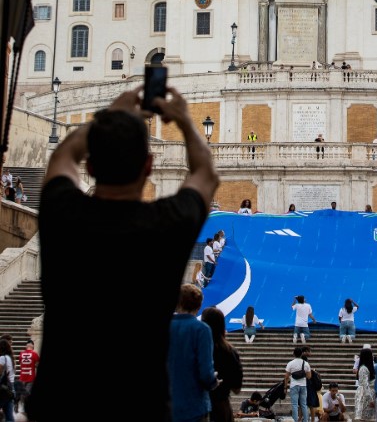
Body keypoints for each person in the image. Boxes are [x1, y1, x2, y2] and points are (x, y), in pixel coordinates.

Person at [26, 85, 218, 422]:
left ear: (92, 166)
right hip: (140, 406)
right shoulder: (167, 225)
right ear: (149, 165)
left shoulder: (64, 214)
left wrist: (109, 115)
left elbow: (61, 157)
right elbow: (206, 174)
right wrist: (186, 122)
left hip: (59, 405)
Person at [168, 284, 218, 422]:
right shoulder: (201, 330)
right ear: (199, 305)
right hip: (194, 406)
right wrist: (214, 380)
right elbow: (206, 373)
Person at [202, 306, 243, 422]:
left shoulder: (196, 349)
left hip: (198, 405)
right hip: (221, 407)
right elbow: (237, 388)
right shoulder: (229, 352)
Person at [284, 346, 311, 422]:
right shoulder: (305, 363)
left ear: (294, 354)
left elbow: (286, 377)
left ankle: (295, 420)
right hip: (303, 385)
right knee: (303, 404)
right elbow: (309, 376)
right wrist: (302, 374)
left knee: (295, 405)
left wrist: (285, 387)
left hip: (294, 385)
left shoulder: (290, 363)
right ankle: (305, 420)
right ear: (302, 354)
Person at [353, 346, 375, 421]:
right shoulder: (363, 369)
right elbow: (365, 385)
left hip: (369, 394)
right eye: (371, 355)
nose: (373, 356)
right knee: (363, 417)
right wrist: (370, 399)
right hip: (364, 396)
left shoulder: (369, 367)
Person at [18, 339, 40, 412]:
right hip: (31, 376)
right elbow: (37, 364)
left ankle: (21, 405)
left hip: (22, 375)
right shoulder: (35, 354)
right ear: (33, 347)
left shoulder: (21, 353)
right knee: (27, 391)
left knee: (22, 391)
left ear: (26, 347)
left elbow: (20, 362)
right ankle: (24, 406)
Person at [0, 337, 15, 422]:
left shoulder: (2, 358)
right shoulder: (10, 358)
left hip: (3, 389)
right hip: (10, 388)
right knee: (9, 416)